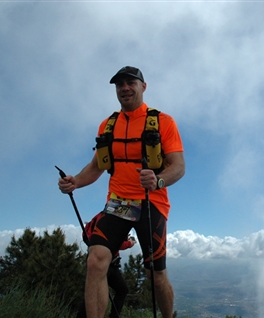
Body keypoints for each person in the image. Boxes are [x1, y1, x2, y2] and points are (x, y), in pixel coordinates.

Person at [58, 66, 185, 318]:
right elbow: (97, 166)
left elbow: (178, 166)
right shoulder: (108, 125)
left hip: (152, 203)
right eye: (119, 85)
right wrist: (75, 182)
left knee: (156, 276)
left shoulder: (163, 121)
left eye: (130, 83)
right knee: (96, 261)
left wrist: (158, 180)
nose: (125, 88)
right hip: (119, 204)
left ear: (143, 86)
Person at [77, 213, 137, 318]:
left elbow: (87, 234)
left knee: (101, 290)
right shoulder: (110, 219)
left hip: (104, 262)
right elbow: (114, 243)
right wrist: (129, 243)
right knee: (100, 291)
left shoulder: (99, 217)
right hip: (107, 263)